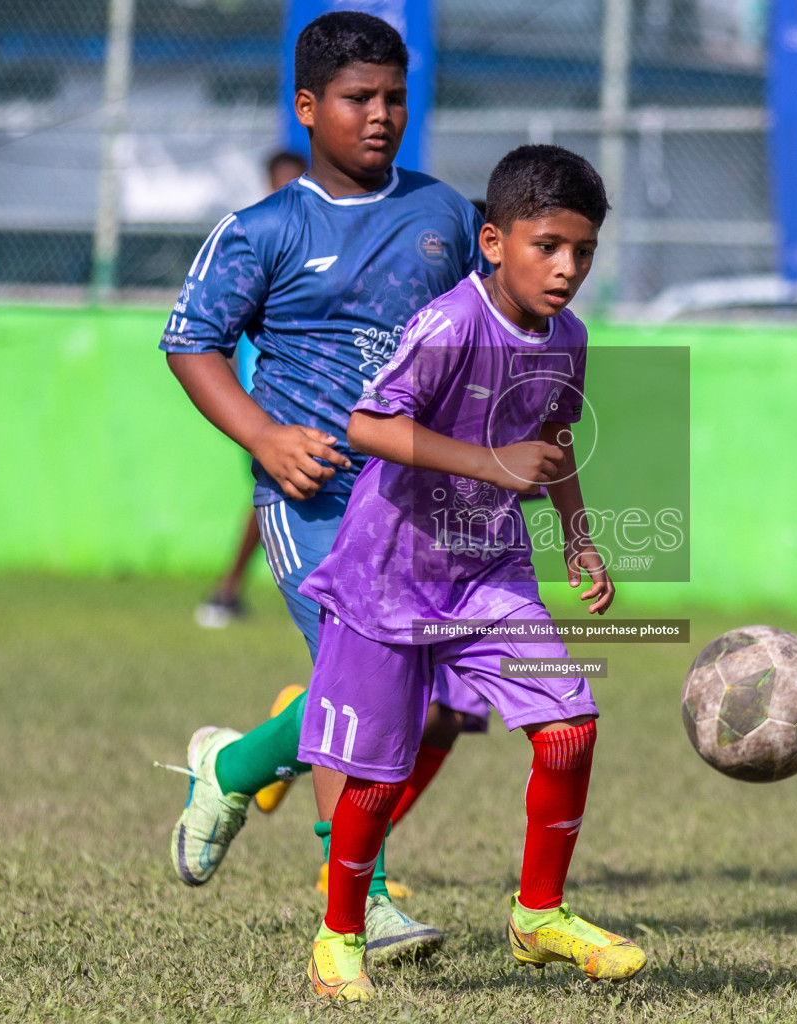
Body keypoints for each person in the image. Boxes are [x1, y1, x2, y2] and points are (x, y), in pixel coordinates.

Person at [158, 11, 492, 960]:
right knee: (374, 690)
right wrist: (264, 437)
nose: (381, 115)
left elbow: (486, 332)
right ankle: (363, 899)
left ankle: (236, 761)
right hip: (312, 499)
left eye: (394, 97)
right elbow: (192, 344)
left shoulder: (447, 217)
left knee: (441, 703)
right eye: (358, 99)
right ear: (309, 108)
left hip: (417, 502)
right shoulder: (264, 230)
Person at [298, 144, 646, 1000]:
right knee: (378, 776)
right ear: (493, 242)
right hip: (389, 577)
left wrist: (580, 539)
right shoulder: (452, 324)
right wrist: (490, 463)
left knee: (570, 727)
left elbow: (556, 438)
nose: (568, 270)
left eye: (584, 251)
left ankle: (539, 916)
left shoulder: (569, 337)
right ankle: (338, 937)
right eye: (547, 247)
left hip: (492, 570)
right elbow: (372, 427)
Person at [194, 150, 308, 629]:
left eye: (295, 185)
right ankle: (229, 588)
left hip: (313, 395)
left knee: (291, 491)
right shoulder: (259, 245)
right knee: (278, 487)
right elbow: (203, 340)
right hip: (264, 402)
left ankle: (231, 589)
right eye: (278, 186)